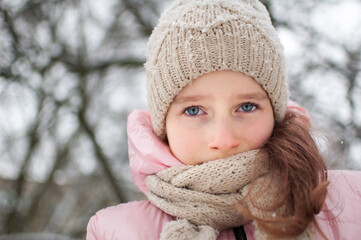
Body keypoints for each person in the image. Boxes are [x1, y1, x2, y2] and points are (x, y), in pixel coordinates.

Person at [86, 0, 361, 239]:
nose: (224, 139)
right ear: (163, 125)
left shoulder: (352, 200)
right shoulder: (114, 230)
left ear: (275, 112)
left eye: (247, 106)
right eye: (194, 110)